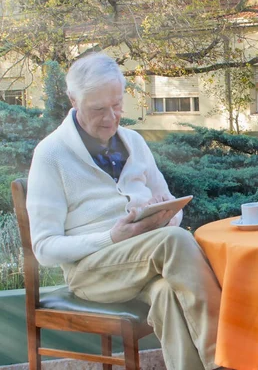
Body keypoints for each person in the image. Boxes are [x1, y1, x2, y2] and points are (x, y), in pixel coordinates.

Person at [26, 53, 225, 370]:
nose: (111, 117)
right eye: (98, 109)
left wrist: (166, 215)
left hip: (143, 263)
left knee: (167, 295)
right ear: (73, 100)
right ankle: (224, 358)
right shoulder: (51, 154)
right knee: (173, 240)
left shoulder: (134, 141)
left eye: (117, 105)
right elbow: (44, 249)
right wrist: (111, 237)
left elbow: (168, 202)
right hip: (90, 272)